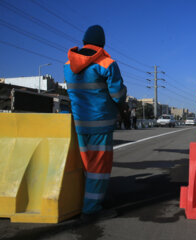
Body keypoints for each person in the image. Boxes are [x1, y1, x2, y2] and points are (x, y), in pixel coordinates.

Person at [64, 25, 127, 221]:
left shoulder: (68, 65)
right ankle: (91, 209)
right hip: (101, 122)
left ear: (84, 42)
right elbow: (117, 94)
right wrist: (121, 99)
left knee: (86, 165)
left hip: (80, 123)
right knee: (99, 168)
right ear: (102, 44)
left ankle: (93, 199)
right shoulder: (107, 64)